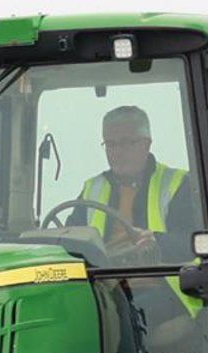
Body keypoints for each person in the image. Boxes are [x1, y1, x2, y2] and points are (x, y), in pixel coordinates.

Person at [73, 105, 195, 253]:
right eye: (111, 144)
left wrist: (157, 241)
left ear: (146, 144)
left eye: (126, 143)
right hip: (102, 274)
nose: (117, 152)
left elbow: (197, 242)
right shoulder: (91, 189)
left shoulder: (179, 184)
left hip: (160, 273)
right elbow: (71, 240)